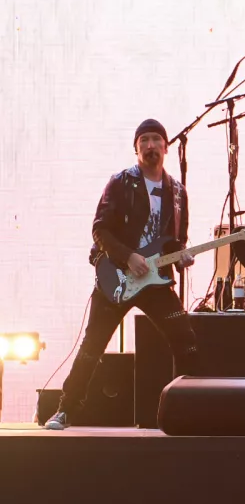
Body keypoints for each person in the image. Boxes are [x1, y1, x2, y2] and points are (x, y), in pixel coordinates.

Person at [44, 119, 201, 430]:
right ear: (136, 148)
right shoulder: (121, 182)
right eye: (144, 140)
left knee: (185, 339)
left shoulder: (178, 192)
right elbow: (100, 229)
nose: (150, 145)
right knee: (93, 344)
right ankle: (65, 409)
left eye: (156, 139)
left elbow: (176, 241)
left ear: (166, 147)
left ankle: (185, 410)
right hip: (117, 277)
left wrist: (182, 256)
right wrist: (128, 256)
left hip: (155, 282)